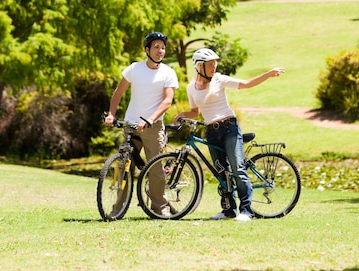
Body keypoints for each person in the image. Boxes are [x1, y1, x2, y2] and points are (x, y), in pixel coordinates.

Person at [173, 48, 284, 221]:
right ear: (199, 66)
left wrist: (268, 74)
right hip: (211, 132)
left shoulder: (220, 79)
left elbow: (246, 84)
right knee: (221, 172)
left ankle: (247, 210)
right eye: (210, 64)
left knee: (238, 169)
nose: (214, 67)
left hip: (229, 128)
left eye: (215, 64)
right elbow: (195, 111)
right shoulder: (191, 88)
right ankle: (228, 210)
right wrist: (182, 115)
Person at [104, 31, 178, 216]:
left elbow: (167, 101)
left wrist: (150, 119)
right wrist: (111, 115)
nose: (160, 51)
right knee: (123, 166)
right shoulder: (134, 69)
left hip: (153, 127)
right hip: (131, 125)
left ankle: (160, 207)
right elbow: (118, 93)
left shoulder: (168, 73)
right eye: (156, 47)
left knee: (156, 169)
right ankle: (118, 208)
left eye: (162, 48)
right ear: (147, 49)